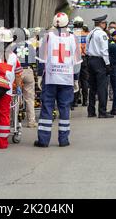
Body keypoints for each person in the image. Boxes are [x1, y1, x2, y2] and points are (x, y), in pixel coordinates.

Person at [34, 13, 82, 147]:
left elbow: (42, 60)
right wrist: (76, 79)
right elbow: (77, 63)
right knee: (64, 108)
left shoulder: (47, 37)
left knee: (47, 107)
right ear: (68, 24)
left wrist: (39, 76)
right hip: (67, 79)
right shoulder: (73, 38)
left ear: (54, 24)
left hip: (50, 78)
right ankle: (64, 140)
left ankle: (43, 140)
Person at [86, 15, 113, 118]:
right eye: (105, 23)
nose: (105, 25)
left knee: (92, 88)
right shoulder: (102, 34)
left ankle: (91, 111)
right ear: (102, 23)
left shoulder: (90, 33)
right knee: (102, 88)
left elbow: (87, 50)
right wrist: (107, 64)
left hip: (91, 60)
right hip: (100, 61)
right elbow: (104, 50)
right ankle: (102, 112)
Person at [14, 28, 37, 128]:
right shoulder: (30, 46)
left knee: (14, 98)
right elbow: (33, 61)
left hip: (17, 72)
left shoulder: (13, 47)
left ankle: (12, 122)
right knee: (29, 98)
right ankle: (31, 121)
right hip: (28, 70)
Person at [72, 16, 89, 107]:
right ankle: (85, 101)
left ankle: (74, 101)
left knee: (75, 79)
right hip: (84, 58)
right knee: (84, 80)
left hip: (74, 59)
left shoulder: (71, 34)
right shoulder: (86, 34)